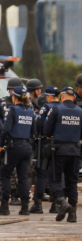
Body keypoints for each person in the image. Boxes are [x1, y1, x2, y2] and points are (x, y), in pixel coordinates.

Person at [0, 87, 36, 216]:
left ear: (14, 97)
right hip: (26, 147)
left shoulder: (12, 110)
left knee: (5, 175)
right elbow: (34, 132)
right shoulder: (30, 111)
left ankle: (4, 206)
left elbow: (5, 130)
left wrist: (0, 146)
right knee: (23, 177)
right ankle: (25, 207)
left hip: (14, 147)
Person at [44, 87, 82, 223]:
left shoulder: (56, 109)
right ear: (73, 97)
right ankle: (73, 215)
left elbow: (47, 130)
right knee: (72, 183)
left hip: (58, 152)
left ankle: (62, 202)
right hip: (75, 151)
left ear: (62, 96)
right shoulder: (80, 111)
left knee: (54, 179)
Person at [30, 86, 60, 214]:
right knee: (56, 174)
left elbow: (39, 124)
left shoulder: (46, 107)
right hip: (59, 144)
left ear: (48, 96)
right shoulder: (62, 108)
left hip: (45, 142)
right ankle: (56, 204)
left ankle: (38, 204)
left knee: (41, 173)